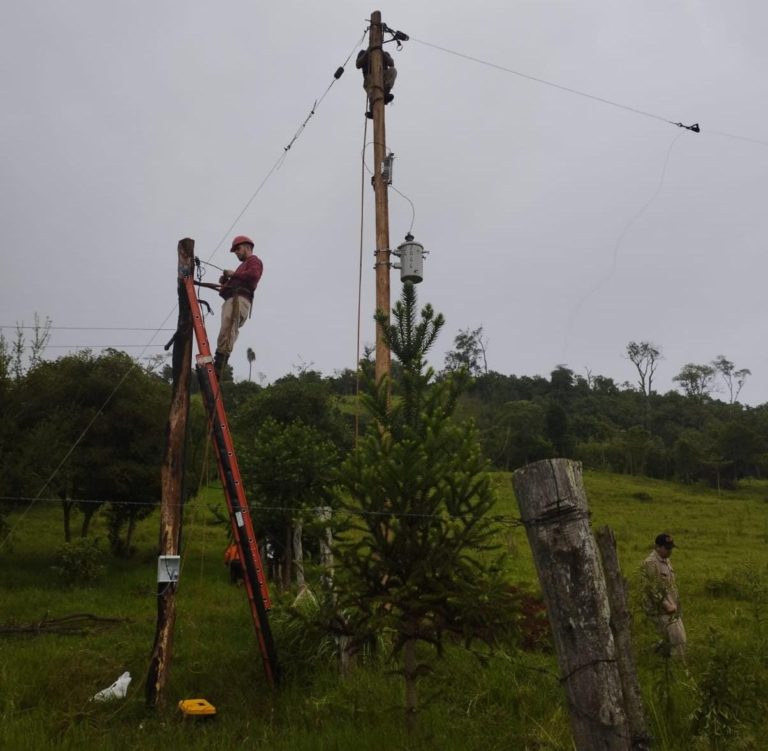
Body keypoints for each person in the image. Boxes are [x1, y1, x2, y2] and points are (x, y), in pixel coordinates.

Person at [213, 235, 263, 380]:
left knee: (228, 327)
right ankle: (219, 362)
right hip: (233, 299)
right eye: (235, 250)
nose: (236, 252)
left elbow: (254, 275)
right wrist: (225, 283)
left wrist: (234, 275)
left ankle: (220, 365)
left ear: (248, 247)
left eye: (238, 249)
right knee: (226, 328)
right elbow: (225, 292)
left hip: (239, 300)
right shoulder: (243, 267)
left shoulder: (254, 261)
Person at [641, 532, 687, 657]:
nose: (669, 551)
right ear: (658, 547)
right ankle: (681, 669)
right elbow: (652, 588)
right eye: (667, 548)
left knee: (673, 639)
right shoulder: (651, 563)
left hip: (672, 608)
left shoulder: (666, 560)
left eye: (670, 548)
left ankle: (652, 657)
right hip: (661, 610)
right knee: (678, 640)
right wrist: (666, 605)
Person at [356, 47, 397, 117]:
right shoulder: (363, 52)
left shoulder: (385, 53)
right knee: (373, 90)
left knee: (393, 70)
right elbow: (358, 64)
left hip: (383, 76)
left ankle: (385, 94)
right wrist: (368, 51)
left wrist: (381, 51)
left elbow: (391, 63)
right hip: (369, 77)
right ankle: (373, 108)